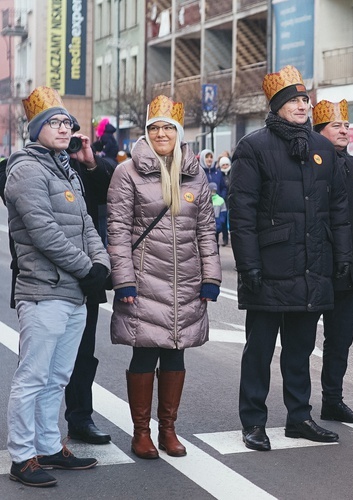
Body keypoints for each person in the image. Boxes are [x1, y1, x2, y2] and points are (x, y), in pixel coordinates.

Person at [229, 65, 352, 451]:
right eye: (294, 101)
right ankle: (253, 421)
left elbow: (339, 208)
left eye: (305, 100)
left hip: (312, 266)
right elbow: (242, 212)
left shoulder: (321, 148)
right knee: (260, 351)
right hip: (269, 266)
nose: (302, 106)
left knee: (299, 350)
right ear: (278, 106)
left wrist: (341, 256)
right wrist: (248, 264)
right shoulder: (254, 146)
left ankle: (299, 417)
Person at [107, 95, 222, 459]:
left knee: (176, 353)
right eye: (154, 127)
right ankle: (141, 433)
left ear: (178, 133)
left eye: (167, 128)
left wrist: (211, 277)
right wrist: (123, 278)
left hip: (185, 280)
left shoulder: (195, 174)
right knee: (145, 354)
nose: (161, 133)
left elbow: (206, 230)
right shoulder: (127, 173)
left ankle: (168, 430)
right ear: (147, 132)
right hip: (143, 279)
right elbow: (118, 230)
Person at [5, 86, 109, 487]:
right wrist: (88, 268)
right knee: (32, 376)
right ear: (37, 128)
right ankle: (22, 456)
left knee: (57, 378)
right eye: (56, 122)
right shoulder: (25, 169)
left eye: (68, 122)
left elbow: (87, 224)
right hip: (42, 290)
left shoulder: (65, 168)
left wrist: (101, 264)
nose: (65, 129)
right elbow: (43, 231)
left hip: (74, 293)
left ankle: (49, 446)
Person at [312, 98, 353, 423]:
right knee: (302, 342)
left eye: (346, 126)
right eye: (336, 126)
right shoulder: (308, 164)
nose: (343, 131)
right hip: (315, 271)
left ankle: (332, 401)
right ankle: (298, 408)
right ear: (319, 131)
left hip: (349, 272)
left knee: (340, 342)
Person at [64, 117, 117, 445]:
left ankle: (81, 419)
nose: (63, 135)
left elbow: (107, 197)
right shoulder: (25, 162)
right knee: (41, 362)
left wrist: (90, 161)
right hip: (44, 282)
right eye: (53, 125)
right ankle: (34, 437)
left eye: (68, 129)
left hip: (87, 280)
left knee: (84, 354)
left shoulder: (85, 166)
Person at [218, 155, 232, 246]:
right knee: (223, 220)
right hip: (223, 201)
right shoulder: (219, 175)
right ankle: (225, 238)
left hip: (231, 201)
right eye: (223, 165)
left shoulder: (232, 173)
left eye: (227, 164)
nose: (225, 166)